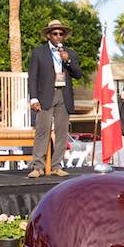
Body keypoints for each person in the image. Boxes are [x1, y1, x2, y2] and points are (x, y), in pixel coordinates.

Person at [27, 20, 82, 178]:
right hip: (45, 95)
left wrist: (68, 61)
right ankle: (38, 166)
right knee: (42, 131)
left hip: (63, 95)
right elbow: (33, 78)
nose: (58, 36)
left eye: (61, 34)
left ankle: (57, 166)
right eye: (55, 33)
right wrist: (33, 98)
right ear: (48, 36)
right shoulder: (39, 53)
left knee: (61, 132)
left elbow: (78, 74)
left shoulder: (70, 53)